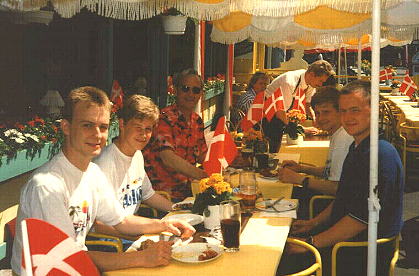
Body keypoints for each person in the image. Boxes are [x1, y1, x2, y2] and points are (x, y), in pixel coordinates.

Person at [11, 86, 195, 274]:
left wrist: (166, 225)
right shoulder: (47, 186)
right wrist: (141, 257)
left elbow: (121, 221)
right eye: (87, 125)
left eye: (103, 127)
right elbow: (67, 259)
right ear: (66, 127)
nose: (97, 135)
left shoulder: (92, 172)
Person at [277, 80, 404, 275]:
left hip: (360, 251)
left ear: (374, 110)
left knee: (279, 262)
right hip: (345, 238)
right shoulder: (358, 148)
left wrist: (311, 242)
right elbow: (343, 198)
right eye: (344, 111)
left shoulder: (378, 155)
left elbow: (359, 220)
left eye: (355, 110)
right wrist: (313, 223)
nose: (348, 118)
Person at [94, 95, 174, 241]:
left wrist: (178, 209)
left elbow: (148, 195)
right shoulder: (104, 163)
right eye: (138, 127)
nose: (143, 135)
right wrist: (139, 238)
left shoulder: (137, 154)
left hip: (134, 229)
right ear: (122, 124)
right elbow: (98, 224)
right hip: (111, 240)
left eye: (148, 129)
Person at [143, 69, 208, 202]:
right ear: (175, 90)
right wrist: (203, 175)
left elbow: (203, 155)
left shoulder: (197, 120)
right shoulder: (163, 119)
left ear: (201, 94)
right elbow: (168, 158)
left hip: (189, 192)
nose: (190, 94)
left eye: (195, 90)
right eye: (185, 89)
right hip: (164, 196)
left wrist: (227, 166)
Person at [278, 86, 353, 196]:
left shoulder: (343, 138)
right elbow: (330, 171)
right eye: (317, 113)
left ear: (340, 112)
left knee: (279, 194)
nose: (321, 118)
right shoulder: (337, 133)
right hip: (328, 198)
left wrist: (299, 179)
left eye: (326, 112)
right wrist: (300, 168)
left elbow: (336, 188)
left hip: (327, 202)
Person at [263, 60, 335, 152]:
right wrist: (301, 129)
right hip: (268, 111)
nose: (321, 84)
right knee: (271, 147)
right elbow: (280, 112)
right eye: (320, 81)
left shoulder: (310, 82)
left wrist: (314, 118)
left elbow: (307, 104)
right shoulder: (289, 82)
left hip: (281, 113)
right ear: (312, 74)